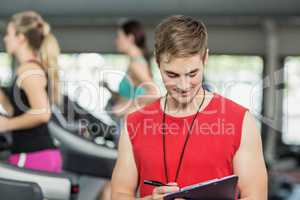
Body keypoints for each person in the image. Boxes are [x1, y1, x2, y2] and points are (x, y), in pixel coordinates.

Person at [111, 15, 268, 200]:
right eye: (172, 75)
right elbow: (120, 194)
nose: (184, 86)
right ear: (157, 62)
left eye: (193, 73)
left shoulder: (240, 121)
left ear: (205, 58)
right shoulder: (134, 124)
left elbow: (255, 196)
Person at [0, 11, 62, 172]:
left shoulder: (29, 69)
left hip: (33, 154)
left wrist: (7, 125)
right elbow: (16, 110)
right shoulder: (28, 68)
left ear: (21, 38)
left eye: (8, 34)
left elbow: (42, 113)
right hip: (37, 154)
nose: (5, 38)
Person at [101, 20, 158, 118]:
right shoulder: (135, 62)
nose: (116, 41)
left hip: (130, 124)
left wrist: (126, 107)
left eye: (119, 37)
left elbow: (154, 94)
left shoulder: (136, 64)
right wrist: (108, 89)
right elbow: (126, 96)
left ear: (130, 38)